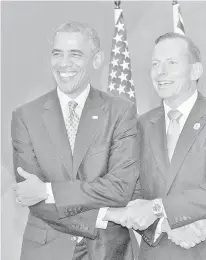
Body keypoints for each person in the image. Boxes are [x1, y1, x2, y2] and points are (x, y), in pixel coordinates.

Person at [104, 32, 206, 260]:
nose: (161, 71)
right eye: (155, 64)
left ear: (195, 71)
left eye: (171, 63)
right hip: (157, 252)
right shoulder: (137, 126)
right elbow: (132, 194)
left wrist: (159, 209)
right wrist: (165, 225)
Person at [11, 21, 140, 260]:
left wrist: (48, 190)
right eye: (57, 53)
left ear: (97, 60)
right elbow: (31, 196)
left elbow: (120, 189)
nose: (64, 63)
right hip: (46, 250)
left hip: (110, 251)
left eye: (76, 54)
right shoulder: (25, 116)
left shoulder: (121, 112)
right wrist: (105, 216)